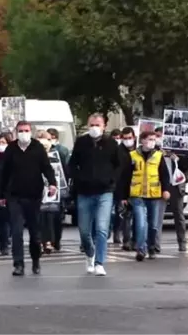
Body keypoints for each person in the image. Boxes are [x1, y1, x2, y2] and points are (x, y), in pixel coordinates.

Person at [0, 121, 57, 276]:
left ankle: (36, 260)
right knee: (17, 231)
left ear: (30, 131)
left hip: (33, 195)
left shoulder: (37, 148)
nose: (23, 133)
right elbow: (4, 172)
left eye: (26, 130)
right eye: (20, 130)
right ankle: (18, 264)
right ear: (16, 132)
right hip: (14, 196)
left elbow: (46, 167)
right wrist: (1, 195)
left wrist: (52, 183)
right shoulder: (11, 149)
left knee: (34, 232)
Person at [69, 113, 121, 276]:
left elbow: (120, 165)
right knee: (84, 231)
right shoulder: (81, 143)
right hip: (84, 192)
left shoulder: (111, 144)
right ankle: (89, 253)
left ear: (104, 126)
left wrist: (112, 180)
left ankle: (99, 262)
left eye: (98, 125)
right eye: (92, 125)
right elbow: (72, 164)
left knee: (101, 228)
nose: (94, 128)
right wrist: (78, 179)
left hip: (104, 192)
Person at [121, 132, 171, 261]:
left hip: (154, 195)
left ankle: (151, 247)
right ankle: (141, 249)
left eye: (154, 140)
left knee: (153, 224)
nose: (152, 142)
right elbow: (125, 177)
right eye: (150, 139)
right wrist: (123, 196)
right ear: (142, 140)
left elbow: (164, 175)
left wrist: (166, 190)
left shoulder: (159, 156)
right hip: (137, 195)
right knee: (141, 223)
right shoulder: (132, 156)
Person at [162, 150, 188, 252]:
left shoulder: (181, 152)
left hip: (176, 186)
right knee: (157, 216)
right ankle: (154, 244)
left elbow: (186, 166)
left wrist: (176, 159)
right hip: (160, 186)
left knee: (178, 215)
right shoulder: (156, 151)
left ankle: (182, 242)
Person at [113, 127, 136, 249]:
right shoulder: (119, 152)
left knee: (137, 216)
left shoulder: (139, 150)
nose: (128, 140)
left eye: (130, 138)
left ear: (134, 137)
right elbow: (119, 174)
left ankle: (136, 240)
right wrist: (121, 195)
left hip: (138, 187)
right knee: (125, 215)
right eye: (125, 138)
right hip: (124, 188)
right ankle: (126, 240)